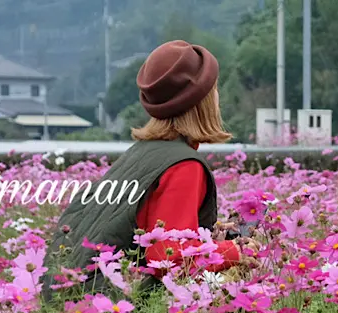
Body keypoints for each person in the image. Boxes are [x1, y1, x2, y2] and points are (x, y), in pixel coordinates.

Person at [44, 40, 255, 299]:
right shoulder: (184, 165)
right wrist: (235, 250)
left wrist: (216, 237)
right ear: (202, 100)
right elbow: (169, 258)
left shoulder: (142, 152)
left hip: (75, 297)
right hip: (117, 311)